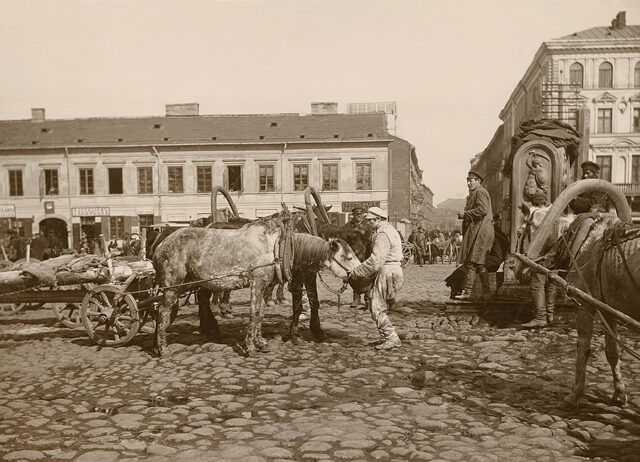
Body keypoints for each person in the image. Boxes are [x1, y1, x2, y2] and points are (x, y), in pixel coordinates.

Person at [347, 207, 403, 350]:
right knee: (377, 306)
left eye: (371, 220)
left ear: (378, 219)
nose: (368, 223)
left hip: (387, 272)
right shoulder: (389, 230)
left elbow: (376, 261)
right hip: (392, 270)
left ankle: (392, 337)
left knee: (377, 307)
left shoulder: (383, 234)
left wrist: (356, 271)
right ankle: (385, 337)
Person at [456, 171, 494, 300]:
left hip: (481, 231)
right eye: (467, 180)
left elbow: (482, 210)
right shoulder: (476, 193)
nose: (468, 183)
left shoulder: (480, 192)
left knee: (472, 262)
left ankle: (468, 292)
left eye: (471, 180)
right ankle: (486, 292)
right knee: (479, 262)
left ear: (478, 181)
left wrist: (465, 214)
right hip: (479, 230)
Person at [343, 207, 368, 309]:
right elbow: (343, 238)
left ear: (363, 214)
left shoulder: (368, 224)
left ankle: (368, 299)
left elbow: (371, 238)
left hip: (365, 255)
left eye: (360, 214)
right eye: (356, 214)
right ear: (353, 215)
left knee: (366, 277)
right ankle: (356, 298)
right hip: (352, 255)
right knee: (353, 277)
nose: (358, 216)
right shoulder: (348, 225)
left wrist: (363, 232)